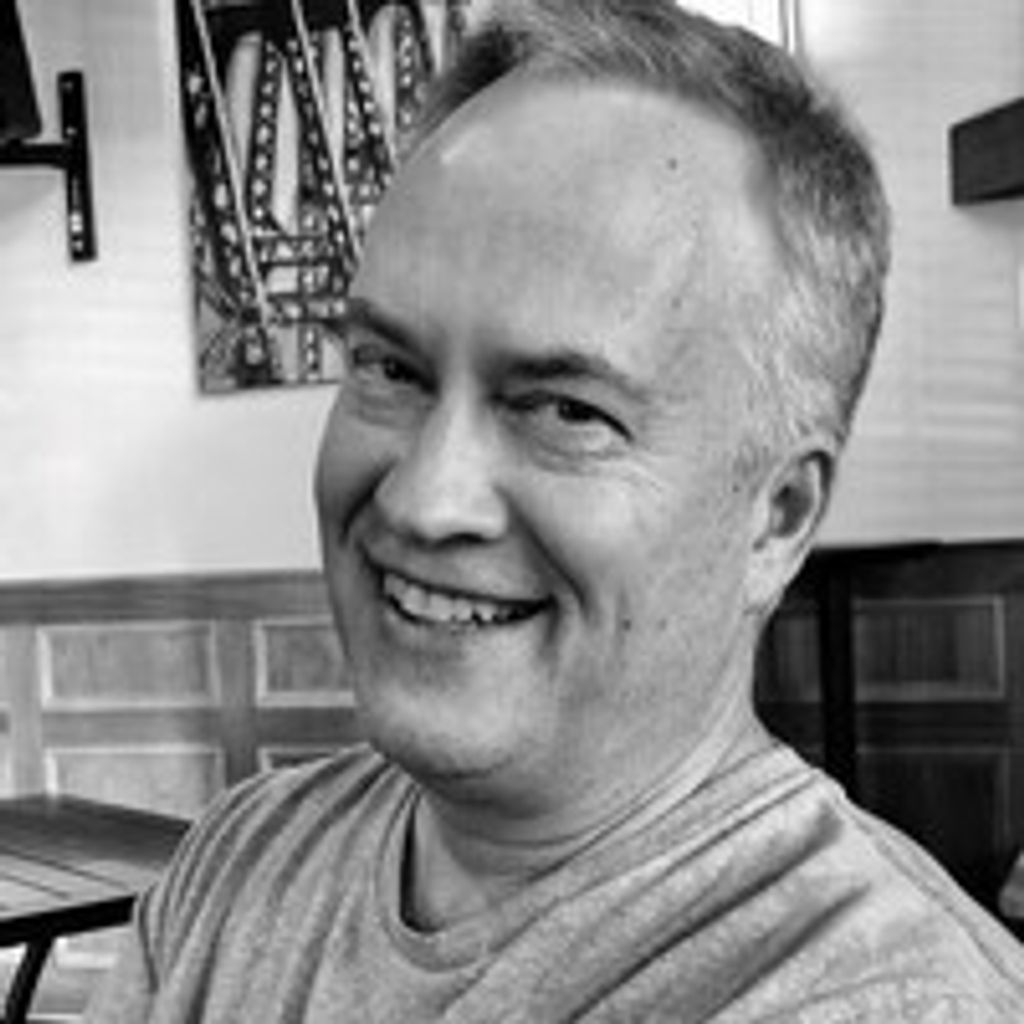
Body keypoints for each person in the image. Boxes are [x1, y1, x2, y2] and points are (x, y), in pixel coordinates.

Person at [87, 1, 1024, 1020]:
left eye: (568, 410)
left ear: (778, 517)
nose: (423, 499)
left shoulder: (883, 997)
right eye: (389, 367)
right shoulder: (233, 867)